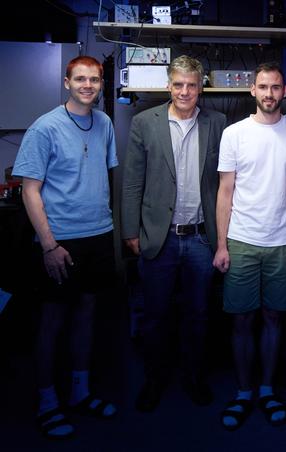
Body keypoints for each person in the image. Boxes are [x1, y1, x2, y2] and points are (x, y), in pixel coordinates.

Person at [12, 55, 118, 439]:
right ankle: (47, 402)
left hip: (98, 234)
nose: (87, 85)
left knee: (88, 314)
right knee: (52, 320)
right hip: (61, 240)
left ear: (102, 82)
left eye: (94, 79)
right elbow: (30, 190)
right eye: (80, 79)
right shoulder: (45, 128)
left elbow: (102, 175)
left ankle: (80, 392)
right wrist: (48, 245)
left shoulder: (104, 123)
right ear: (66, 82)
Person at [121, 55, 227, 412]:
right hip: (158, 235)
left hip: (200, 237)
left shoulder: (218, 122)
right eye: (178, 84)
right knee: (156, 315)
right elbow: (132, 180)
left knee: (199, 314)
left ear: (201, 87)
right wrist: (130, 230)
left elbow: (224, 183)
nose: (185, 91)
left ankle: (194, 377)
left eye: (192, 85)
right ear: (169, 85)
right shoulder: (143, 122)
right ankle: (154, 380)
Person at [213, 62, 286, 430]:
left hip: (283, 242)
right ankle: (244, 392)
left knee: (274, 318)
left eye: (275, 87)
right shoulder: (234, 134)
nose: (269, 94)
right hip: (241, 240)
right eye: (263, 87)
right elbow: (225, 192)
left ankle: (268, 389)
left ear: (284, 91)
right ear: (252, 91)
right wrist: (221, 245)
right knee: (242, 320)